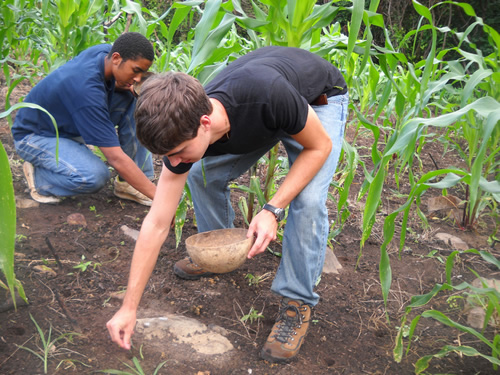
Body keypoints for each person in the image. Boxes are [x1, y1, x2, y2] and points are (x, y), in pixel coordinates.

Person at [106, 46, 348, 362]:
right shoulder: (182, 127)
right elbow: (156, 222)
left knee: (307, 199)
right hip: (265, 115)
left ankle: (297, 302)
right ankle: (219, 252)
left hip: (317, 99)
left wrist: (272, 208)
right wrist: (129, 307)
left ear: (205, 122)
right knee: (200, 174)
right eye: (169, 155)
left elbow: (319, 147)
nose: (175, 161)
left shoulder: (265, 95)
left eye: (179, 151)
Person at [11, 32, 156, 205]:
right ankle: (40, 179)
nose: (138, 78)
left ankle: (128, 184)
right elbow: (115, 158)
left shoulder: (104, 53)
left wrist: (126, 84)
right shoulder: (87, 92)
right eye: (136, 71)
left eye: (143, 73)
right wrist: (160, 199)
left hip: (66, 122)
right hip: (35, 135)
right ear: (116, 58)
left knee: (133, 99)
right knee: (94, 176)